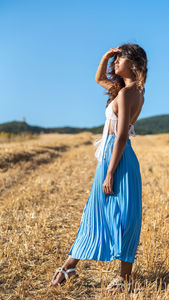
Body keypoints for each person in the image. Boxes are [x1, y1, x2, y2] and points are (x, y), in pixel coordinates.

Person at [49, 43, 148, 295]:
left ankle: (120, 277)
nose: (115, 63)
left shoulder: (127, 95)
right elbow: (99, 78)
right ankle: (71, 266)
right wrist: (106, 56)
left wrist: (110, 172)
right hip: (114, 157)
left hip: (117, 159)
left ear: (133, 64)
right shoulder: (130, 91)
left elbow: (122, 136)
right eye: (114, 60)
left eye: (120, 59)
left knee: (120, 216)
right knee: (105, 213)